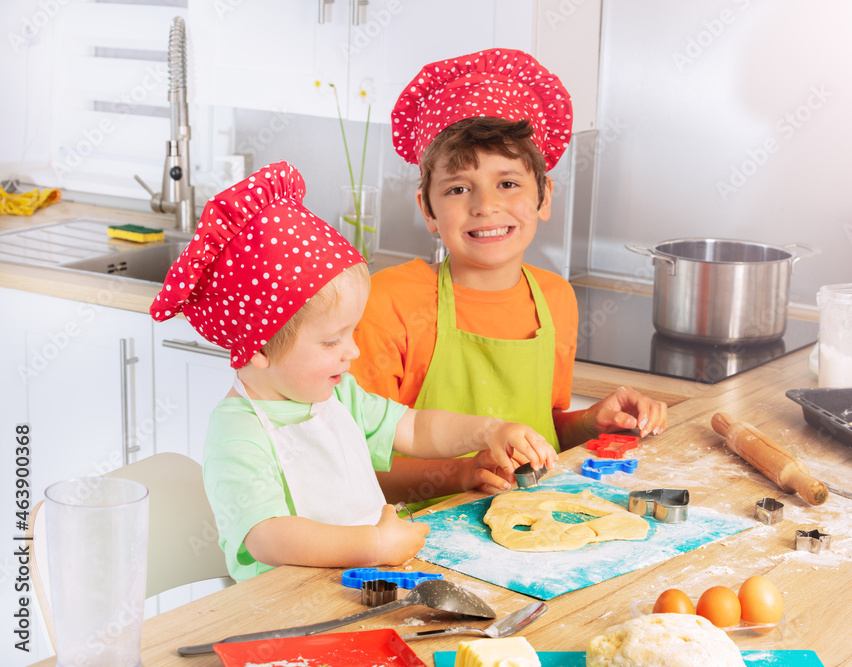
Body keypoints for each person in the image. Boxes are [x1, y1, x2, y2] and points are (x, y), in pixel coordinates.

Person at [150, 161, 556, 582]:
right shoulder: (238, 432)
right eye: (332, 341)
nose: (353, 351)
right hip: (284, 615)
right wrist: (373, 545)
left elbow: (415, 429)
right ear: (260, 349)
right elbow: (266, 536)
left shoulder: (338, 397)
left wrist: (488, 430)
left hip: (360, 585)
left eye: (352, 333)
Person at [352, 49, 669, 508]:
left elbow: (541, 429)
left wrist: (591, 424)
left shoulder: (555, 298)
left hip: (532, 523)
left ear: (544, 196)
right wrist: (460, 473)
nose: (485, 206)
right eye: (458, 188)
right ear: (427, 209)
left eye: (508, 183)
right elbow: (355, 464)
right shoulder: (390, 302)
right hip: (412, 543)